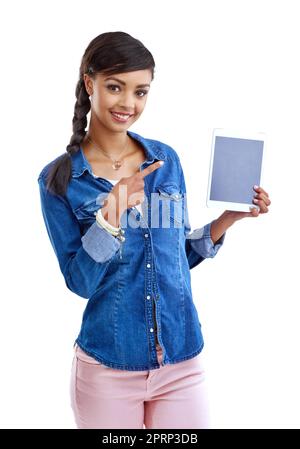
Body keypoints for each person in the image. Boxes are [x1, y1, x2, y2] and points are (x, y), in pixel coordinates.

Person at [37, 31, 271, 429]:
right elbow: (79, 282)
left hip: (182, 360)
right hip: (108, 366)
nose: (128, 103)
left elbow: (178, 256)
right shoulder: (58, 180)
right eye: (115, 87)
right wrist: (109, 216)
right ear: (89, 82)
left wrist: (227, 219)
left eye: (140, 91)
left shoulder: (166, 160)